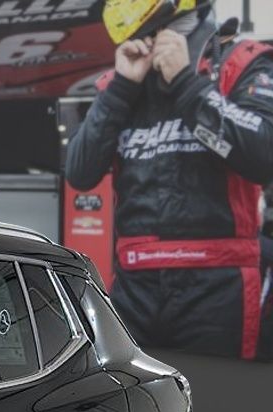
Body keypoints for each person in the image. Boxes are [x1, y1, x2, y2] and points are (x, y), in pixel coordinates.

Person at [65, 2, 273, 359]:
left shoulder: (242, 62)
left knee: (223, 392)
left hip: (218, 284)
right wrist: (120, 89)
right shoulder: (123, 80)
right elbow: (80, 173)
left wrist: (186, 84)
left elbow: (264, 157)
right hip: (135, 284)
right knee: (133, 392)